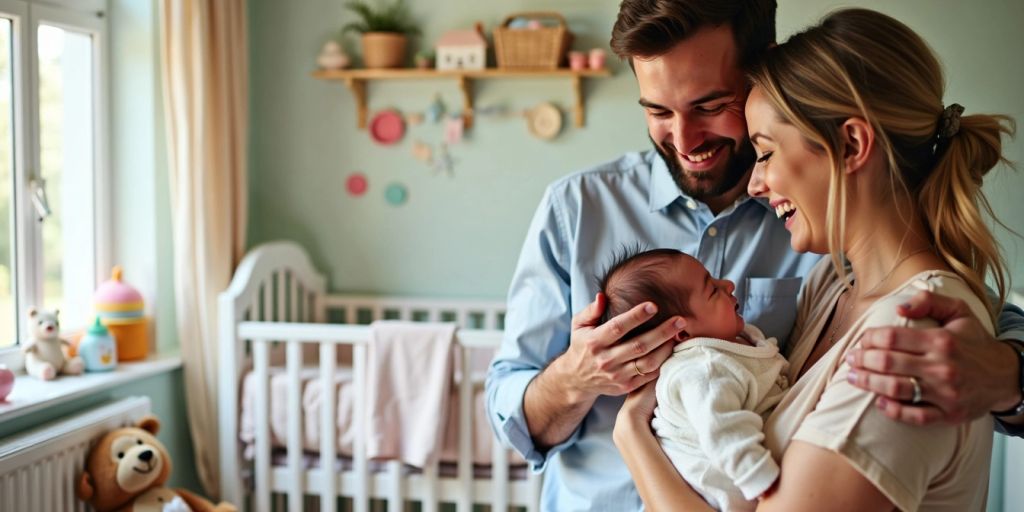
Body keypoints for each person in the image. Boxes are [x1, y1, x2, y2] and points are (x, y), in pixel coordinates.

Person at [485, 1, 1024, 509]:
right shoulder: (577, 208)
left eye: (711, 106)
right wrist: (576, 376)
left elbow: (958, 324)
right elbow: (510, 409)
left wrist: (1008, 372)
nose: (684, 138)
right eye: (657, 111)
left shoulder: (830, 245)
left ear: (759, 82)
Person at [601, 247, 788, 511]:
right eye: (712, 289)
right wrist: (761, 479)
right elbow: (722, 430)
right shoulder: (703, 370)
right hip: (728, 494)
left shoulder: (735, 340)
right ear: (682, 334)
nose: (728, 284)